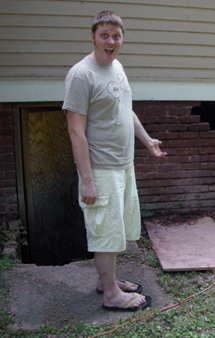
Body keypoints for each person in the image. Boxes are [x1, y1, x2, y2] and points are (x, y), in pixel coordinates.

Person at [63, 11, 166, 312]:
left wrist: (147, 141)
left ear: (123, 39)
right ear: (93, 36)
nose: (111, 41)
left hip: (123, 164)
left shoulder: (117, 67)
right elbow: (75, 130)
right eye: (104, 35)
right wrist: (87, 179)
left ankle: (106, 280)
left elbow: (126, 111)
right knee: (104, 234)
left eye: (116, 36)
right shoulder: (82, 74)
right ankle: (110, 294)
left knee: (115, 230)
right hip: (101, 168)